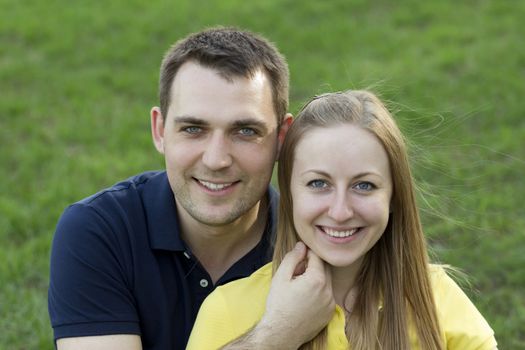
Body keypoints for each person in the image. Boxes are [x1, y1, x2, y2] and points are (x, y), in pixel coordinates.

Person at [48, 27, 332, 350]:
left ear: (281, 139)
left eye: (245, 131)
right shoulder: (99, 231)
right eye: (194, 129)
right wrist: (277, 334)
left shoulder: (319, 244)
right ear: (160, 131)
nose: (216, 160)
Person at [186, 90, 498, 349]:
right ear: (290, 194)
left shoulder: (437, 299)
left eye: (364, 185)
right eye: (318, 184)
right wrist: (274, 335)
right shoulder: (227, 310)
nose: (340, 211)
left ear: (393, 197)